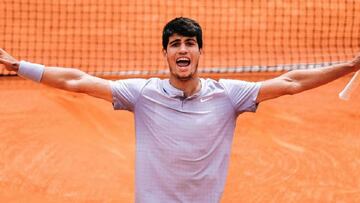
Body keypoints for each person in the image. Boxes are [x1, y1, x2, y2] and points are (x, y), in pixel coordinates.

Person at [0, 17, 359, 203]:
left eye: (189, 43)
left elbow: (292, 82)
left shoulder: (229, 95)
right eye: (175, 44)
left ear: (200, 53)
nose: (182, 49)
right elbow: (77, 80)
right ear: (166, 54)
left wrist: (348, 65)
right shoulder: (142, 94)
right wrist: (20, 67)